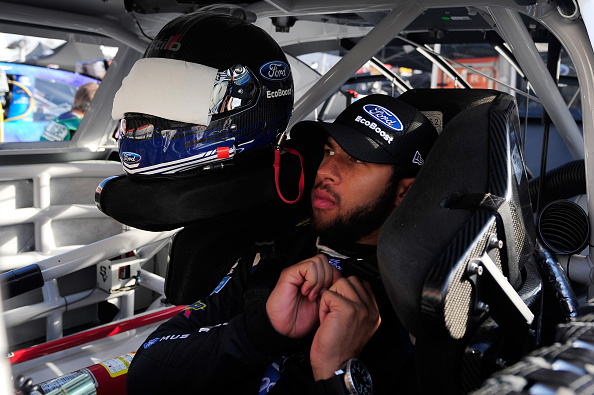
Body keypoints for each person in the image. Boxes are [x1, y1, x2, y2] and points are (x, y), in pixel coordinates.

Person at [126, 93, 438, 394]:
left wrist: (336, 373)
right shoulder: (276, 250)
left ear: (404, 192)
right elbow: (146, 373)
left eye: (355, 160)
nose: (326, 171)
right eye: (330, 151)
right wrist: (262, 332)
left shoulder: (418, 307)